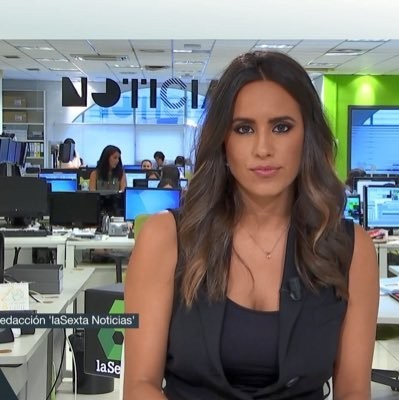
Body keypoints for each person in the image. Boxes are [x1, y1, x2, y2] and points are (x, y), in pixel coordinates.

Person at [124, 51, 379, 399]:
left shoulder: (351, 249)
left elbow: (353, 391)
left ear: (308, 137)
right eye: (244, 129)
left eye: (281, 127)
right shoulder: (166, 238)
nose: (263, 148)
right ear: (223, 142)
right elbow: (140, 386)